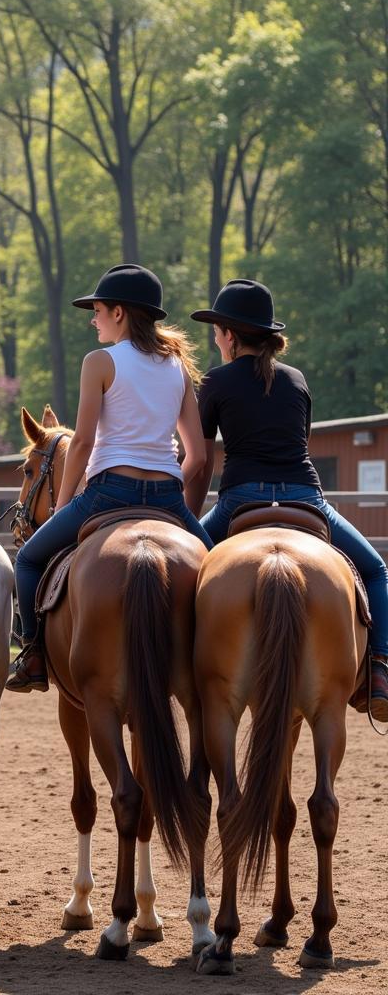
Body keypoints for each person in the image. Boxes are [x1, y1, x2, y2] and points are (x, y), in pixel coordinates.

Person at [186, 278, 388, 719]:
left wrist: (187, 520)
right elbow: (303, 443)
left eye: (218, 331)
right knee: (375, 570)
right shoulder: (297, 379)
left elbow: (200, 464)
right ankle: (378, 670)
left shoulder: (214, 382)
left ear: (232, 336)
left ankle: (178, 667)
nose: (216, 338)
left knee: (181, 576)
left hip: (239, 501)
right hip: (305, 497)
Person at [7, 264, 213, 694]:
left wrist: (63, 507)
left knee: (27, 561)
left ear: (118, 313)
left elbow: (81, 442)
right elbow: (197, 452)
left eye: (97, 309)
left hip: (108, 494)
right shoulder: (176, 364)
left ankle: (32, 655)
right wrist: (171, 484)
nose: (92, 318)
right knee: (218, 573)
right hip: (167, 499)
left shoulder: (99, 361)